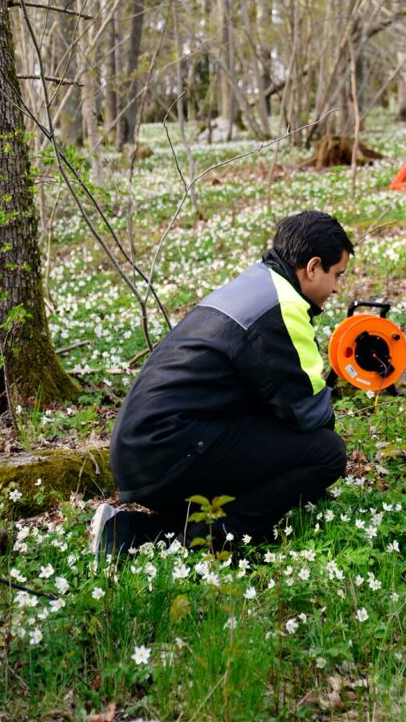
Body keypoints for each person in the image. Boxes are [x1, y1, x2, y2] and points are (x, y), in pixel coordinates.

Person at [91, 210, 354, 558]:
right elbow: (308, 416)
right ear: (312, 266)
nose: (337, 287)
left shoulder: (257, 284)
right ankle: (172, 541)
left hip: (147, 446)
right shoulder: (282, 307)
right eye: (337, 275)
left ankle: (126, 530)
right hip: (167, 451)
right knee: (326, 453)